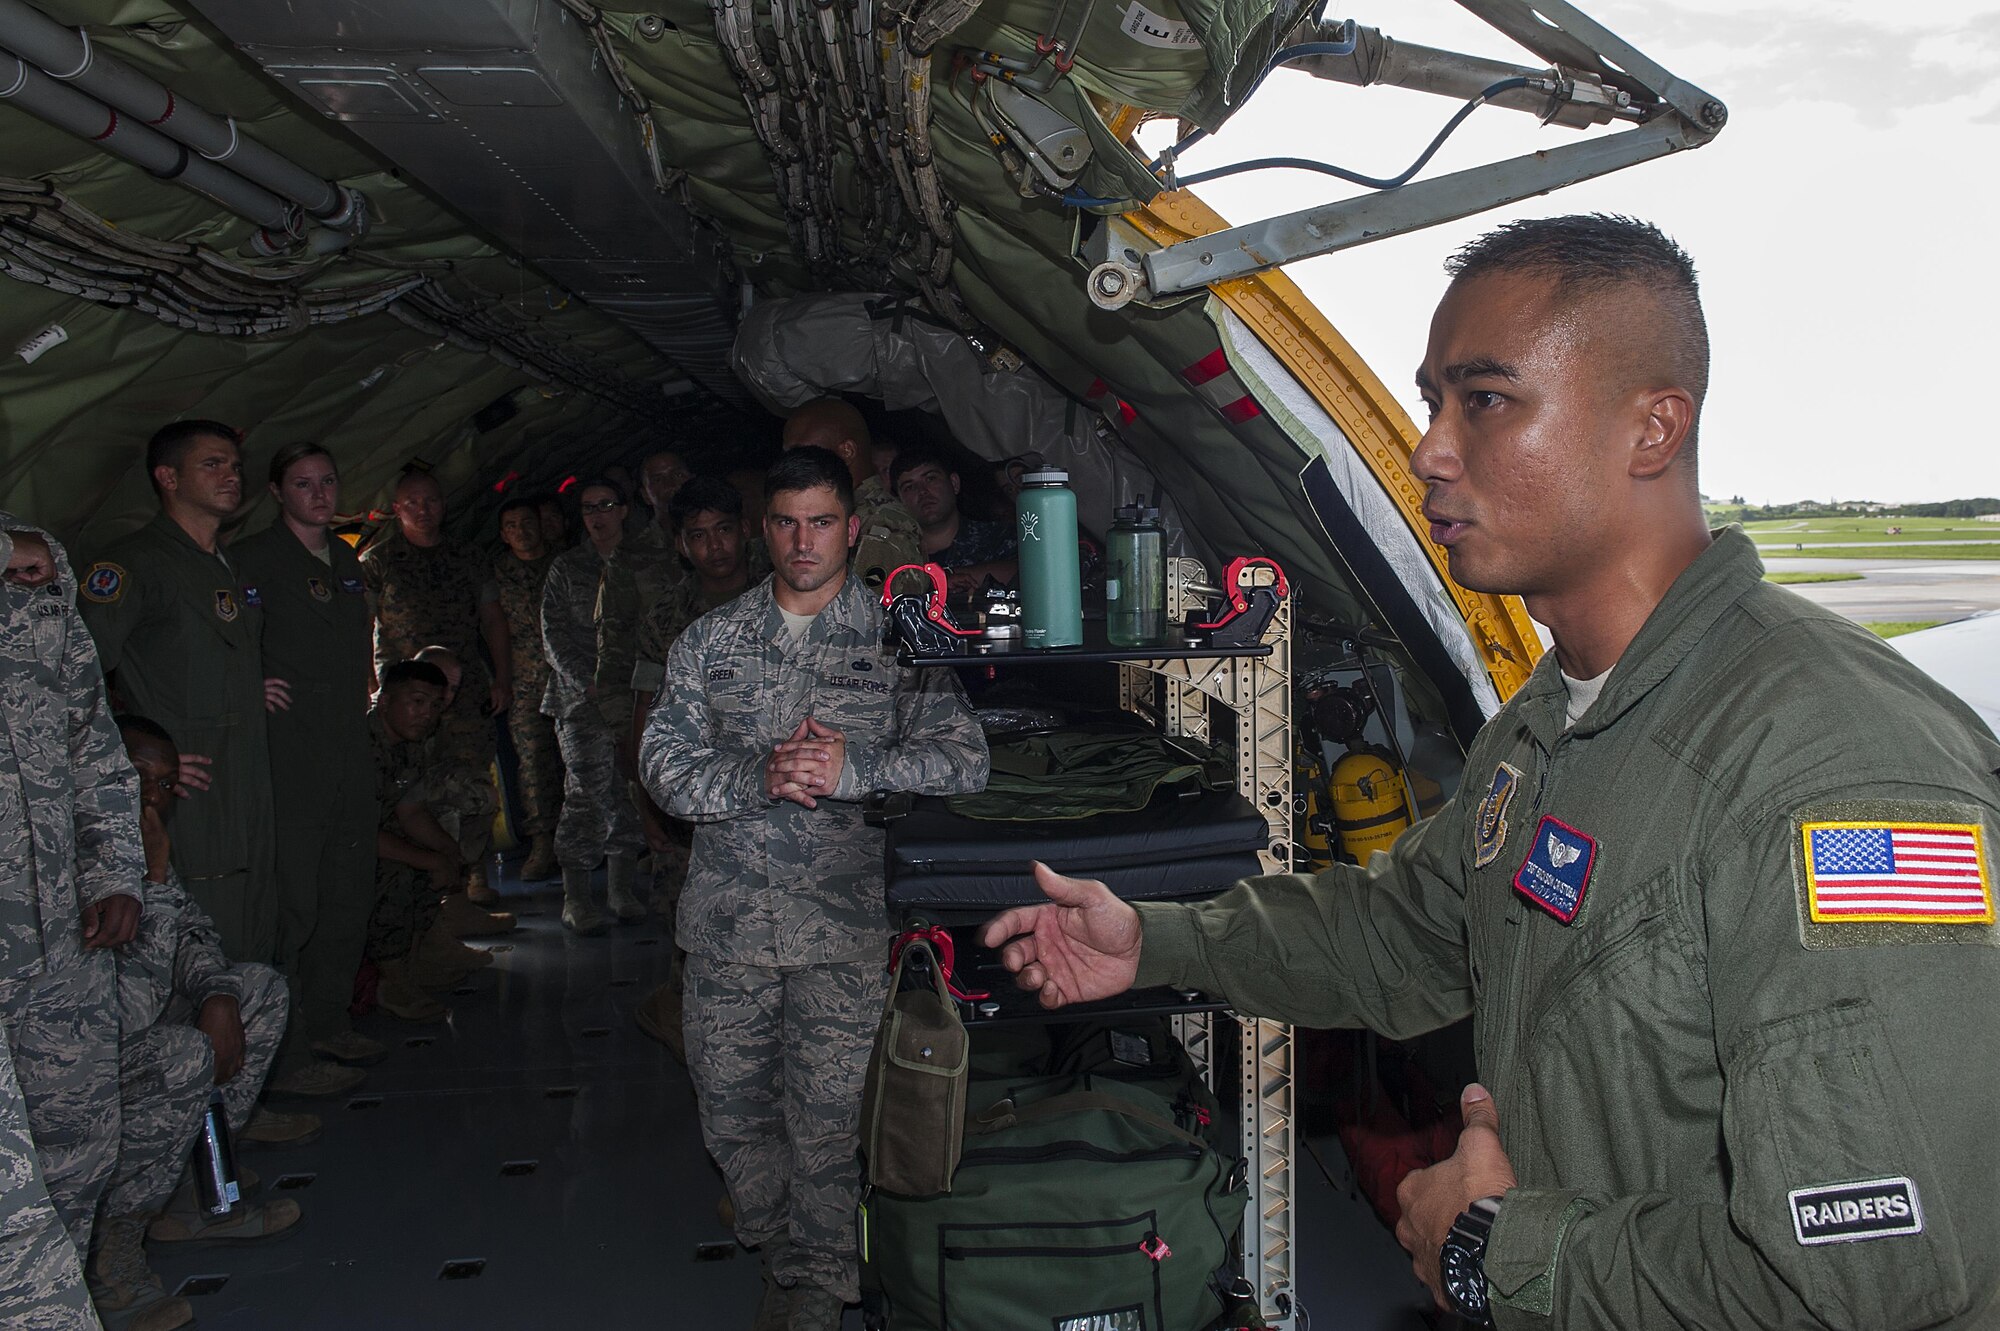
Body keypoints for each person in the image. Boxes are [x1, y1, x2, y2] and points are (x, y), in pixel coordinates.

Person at [982, 215, 2000, 1330]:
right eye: (1429, 401)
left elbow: (1872, 1272)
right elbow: (1403, 930)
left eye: (1485, 399)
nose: (1427, 448)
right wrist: (1157, 940)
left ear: (1650, 429)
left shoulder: (1829, 775)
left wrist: (1498, 1251)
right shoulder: (1545, 725)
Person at [640, 447, 989, 1329]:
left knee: (829, 1121)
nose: (805, 540)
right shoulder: (711, 642)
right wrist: (758, 775)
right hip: (726, 927)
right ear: (767, 530)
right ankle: (776, 1239)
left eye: (822, 522)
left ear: (854, 530)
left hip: (841, 926)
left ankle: (818, 1283)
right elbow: (662, 766)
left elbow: (965, 761)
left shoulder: (896, 642)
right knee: (731, 1111)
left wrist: (853, 767)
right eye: (788, 522)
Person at [92, 716, 304, 1331]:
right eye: (138, 779)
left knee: (257, 991)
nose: (152, 798)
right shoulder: (74, 861)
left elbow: (191, 937)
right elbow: (120, 1014)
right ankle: (113, 1252)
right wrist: (154, 879)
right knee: (183, 1055)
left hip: (137, 1032)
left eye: (164, 785)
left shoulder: (139, 845)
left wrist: (216, 994)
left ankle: (196, 1191)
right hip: (75, 1067)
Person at [1, 513, 139, 1327]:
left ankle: (81, 1288)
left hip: (60, 939)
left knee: (81, 1143)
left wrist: (116, 871)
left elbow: (95, 747)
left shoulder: (42, 578)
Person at [79, 420, 279, 962]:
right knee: (204, 930)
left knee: (255, 921)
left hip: (247, 779)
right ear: (168, 477)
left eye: (235, 466)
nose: (231, 476)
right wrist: (129, 762)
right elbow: (79, 678)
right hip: (187, 787)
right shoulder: (133, 564)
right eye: (212, 465)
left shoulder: (224, 564)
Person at [233, 443, 378, 1096]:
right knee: (294, 903)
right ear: (276, 493)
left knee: (347, 889)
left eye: (327, 480)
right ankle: (286, 1052)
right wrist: (249, 682)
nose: (319, 494)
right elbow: (227, 641)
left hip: (348, 744)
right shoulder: (255, 561)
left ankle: (329, 1019)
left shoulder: (346, 558)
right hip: (291, 751)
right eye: (303, 484)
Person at [626, 476, 768, 1057]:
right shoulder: (667, 618)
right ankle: (689, 1018)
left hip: (765, 787)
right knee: (691, 919)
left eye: (724, 531)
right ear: (682, 546)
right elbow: (643, 712)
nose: (715, 547)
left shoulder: (781, 597)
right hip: (691, 795)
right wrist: (645, 802)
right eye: (699, 536)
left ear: (746, 533)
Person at [358, 470, 511, 904]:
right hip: (404, 697)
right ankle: (426, 887)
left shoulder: (468, 556)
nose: (423, 511)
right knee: (409, 788)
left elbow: (493, 619)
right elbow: (361, 625)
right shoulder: (379, 561)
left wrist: (502, 677)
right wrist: (370, 687)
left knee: (472, 781)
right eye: (413, 503)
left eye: (431, 501)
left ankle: (471, 875)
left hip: (462, 692)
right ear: (397, 509)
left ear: (444, 505)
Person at [540, 481, 649, 934]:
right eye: (588, 509)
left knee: (630, 789)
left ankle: (620, 890)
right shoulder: (567, 567)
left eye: (606, 505)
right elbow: (554, 634)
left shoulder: (644, 562)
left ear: (624, 510)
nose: (598, 515)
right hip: (580, 700)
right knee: (586, 790)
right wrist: (588, 682)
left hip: (635, 693)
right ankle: (577, 896)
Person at [362, 660, 464, 1022]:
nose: (427, 714)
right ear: (385, 700)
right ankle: (393, 983)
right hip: (344, 850)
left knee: (433, 861)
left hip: (375, 835)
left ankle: (415, 964)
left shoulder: (409, 745)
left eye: (435, 706)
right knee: (399, 874)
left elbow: (411, 811)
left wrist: (449, 853)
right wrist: (430, 860)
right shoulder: (360, 745)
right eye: (417, 702)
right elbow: (359, 835)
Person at [491, 496, 563, 883]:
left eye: (527, 521)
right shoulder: (498, 574)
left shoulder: (564, 564)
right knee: (533, 764)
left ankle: (590, 839)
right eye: (512, 526)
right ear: (503, 535)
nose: (522, 531)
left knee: (578, 762)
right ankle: (542, 842)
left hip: (567, 677)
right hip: (525, 681)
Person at [780, 398, 921, 593]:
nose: (793, 464)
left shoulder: (881, 524)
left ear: (847, 451)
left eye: (804, 453)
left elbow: (863, 617)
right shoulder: (842, 512)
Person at [889, 441, 1018, 595]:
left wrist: (942, 577)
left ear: (954, 483)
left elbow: (1025, 571)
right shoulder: (893, 553)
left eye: (930, 479)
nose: (922, 491)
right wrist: (934, 581)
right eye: (909, 487)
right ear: (899, 501)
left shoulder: (999, 537)